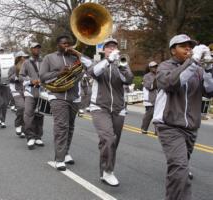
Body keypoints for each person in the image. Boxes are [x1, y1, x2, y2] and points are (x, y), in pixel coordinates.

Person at [153, 34, 213, 200]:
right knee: (180, 168)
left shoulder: (198, 69)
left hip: (191, 127)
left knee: (179, 171)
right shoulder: (165, 66)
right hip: (169, 125)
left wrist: (208, 68)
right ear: (173, 50)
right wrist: (192, 63)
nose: (188, 48)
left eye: (190, 46)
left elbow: (209, 91)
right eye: (183, 46)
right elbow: (171, 83)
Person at [39, 35, 92, 171]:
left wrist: (78, 53)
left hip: (74, 97)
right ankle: (59, 158)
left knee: (70, 127)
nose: (67, 46)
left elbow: (90, 67)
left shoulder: (75, 58)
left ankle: (66, 152)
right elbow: (43, 76)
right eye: (63, 43)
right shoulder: (49, 58)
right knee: (61, 126)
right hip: (57, 96)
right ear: (58, 44)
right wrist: (59, 73)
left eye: (69, 44)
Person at [88, 38, 133, 187]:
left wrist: (121, 66)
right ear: (104, 50)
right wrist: (108, 61)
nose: (112, 49)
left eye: (114, 47)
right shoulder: (97, 63)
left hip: (119, 109)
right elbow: (93, 72)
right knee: (108, 138)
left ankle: (104, 170)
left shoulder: (121, 64)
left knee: (112, 143)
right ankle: (108, 171)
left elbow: (129, 80)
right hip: (100, 107)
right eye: (109, 47)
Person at [19, 42, 44, 149]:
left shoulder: (44, 61)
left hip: (42, 92)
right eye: (35, 48)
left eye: (38, 48)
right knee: (28, 114)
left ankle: (38, 136)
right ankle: (30, 137)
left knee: (40, 115)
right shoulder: (26, 63)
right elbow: (21, 76)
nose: (37, 49)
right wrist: (30, 81)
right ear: (31, 50)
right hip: (30, 91)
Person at [8, 51, 28, 138]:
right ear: (18, 58)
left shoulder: (27, 67)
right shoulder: (13, 67)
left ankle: (24, 129)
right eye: (23, 57)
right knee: (21, 107)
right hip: (15, 89)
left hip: (26, 89)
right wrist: (17, 76)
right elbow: (9, 78)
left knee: (27, 110)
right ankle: (18, 125)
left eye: (25, 57)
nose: (24, 58)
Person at [141, 61, 158, 134]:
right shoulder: (146, 76)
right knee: (149, 114)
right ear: (150, 68)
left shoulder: (159, 74)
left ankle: (157, 131)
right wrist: (156, 81)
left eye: (156, 66)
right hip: (150, 99)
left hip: (159, 98)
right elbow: (149, 87)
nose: (155, 68)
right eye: (153, 67)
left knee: (158, 115)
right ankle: (144, 128)